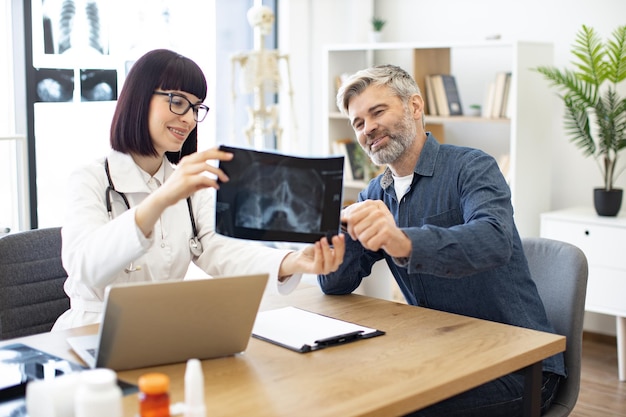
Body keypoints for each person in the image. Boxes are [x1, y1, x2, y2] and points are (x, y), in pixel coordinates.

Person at [317, 64, 564, 417]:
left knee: (388, 405)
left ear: (415, 107)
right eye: (358, 123)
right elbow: (334, 284)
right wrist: (337, 235)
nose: (368, 128)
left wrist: (403, 241)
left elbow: (494, 239)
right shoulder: (375, 194)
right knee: (345, 386)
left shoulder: (473, 167)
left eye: (378, 111)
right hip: (444, 351)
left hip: (519, 365)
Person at [53, 49, 344, 331]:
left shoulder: (186, 187)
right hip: (90, 333)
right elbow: (84, 268)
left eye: (196, 107)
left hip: (159, 331)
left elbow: (223, 251)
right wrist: (162, 199)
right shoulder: (90, 178)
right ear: (139, 99)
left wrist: (292, 262)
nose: (190, 119)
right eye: (178, 102)